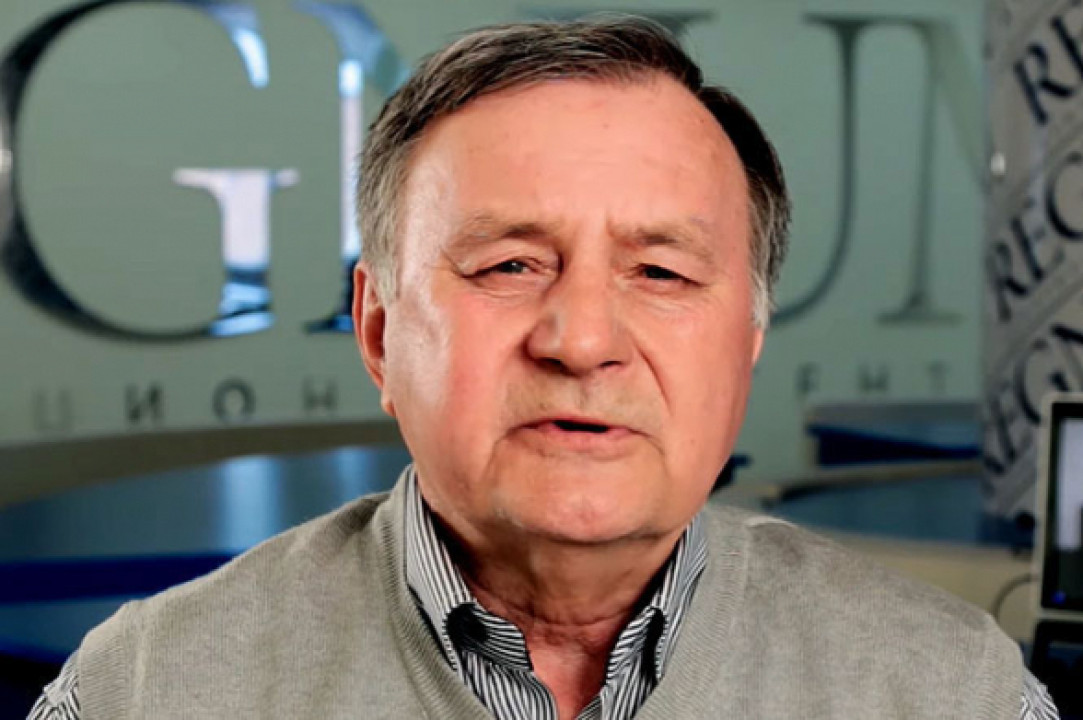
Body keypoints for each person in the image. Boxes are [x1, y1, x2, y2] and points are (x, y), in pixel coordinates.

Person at [31, 17, 1059, 720]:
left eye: (661, 272)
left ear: (747, 341)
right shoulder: (147, 688)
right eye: (510, 265)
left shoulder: (949, 691)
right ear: (379, 332)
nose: (580, 340)